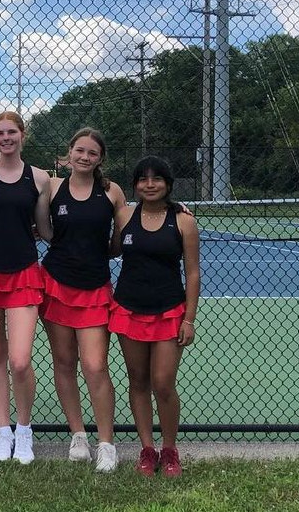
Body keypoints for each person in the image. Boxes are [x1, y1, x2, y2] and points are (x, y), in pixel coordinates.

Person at [39, 128, 125, 472]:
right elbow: (43, 229)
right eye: (80, 151)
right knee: (64, 363)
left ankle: (107, 443)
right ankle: (78, 435)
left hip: (95, 289)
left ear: (100, 158)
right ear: (69, 152)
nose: (85, 157)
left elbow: (122, 238)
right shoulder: (53, 187)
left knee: (95, 366)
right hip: (56, 285)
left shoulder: (112, 192)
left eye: (92, 153)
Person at [110, 155, 199, 478]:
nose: (150, 184)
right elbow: (110, 247)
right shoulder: (124, 216)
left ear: (168, 184)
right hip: (128, 309)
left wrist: (188, 318)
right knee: (138, 381)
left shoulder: (184, 221)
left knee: (162, 383)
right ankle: (147, 450)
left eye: (157, 178)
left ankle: (170, 450)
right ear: (135, 184)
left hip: (169, 311)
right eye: (143, 179)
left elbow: (192, 272)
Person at [0, 111, 51, 464]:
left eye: (12, 132)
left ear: (23, 134)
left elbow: (47, 228)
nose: (6, 138)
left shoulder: (41, 178)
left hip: (24, 273)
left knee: (19, 360)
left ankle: (23, 430)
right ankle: (3, 432)